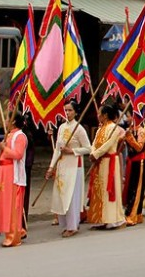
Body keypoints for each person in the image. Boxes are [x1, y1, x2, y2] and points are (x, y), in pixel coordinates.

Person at [46, 100, 91, 238]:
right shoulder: (61, 127)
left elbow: (88, 148)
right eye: (65, 110)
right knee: (61, 195)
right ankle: (65, 224)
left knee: (71, 196)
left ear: (76, 112)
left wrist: (72, 151)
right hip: (62, 165)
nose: (67, 113)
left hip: (74, 165)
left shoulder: (79, 128)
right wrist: (51, 167)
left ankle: (73, 226)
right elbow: (57, 149)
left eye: (70, 110)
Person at [0, 112, 28, 247]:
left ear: (13, 121)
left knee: (13, 205)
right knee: (4, 204)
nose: (5, 120)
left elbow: (18, 155)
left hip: (12, 174)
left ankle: (14, 237)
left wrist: (4, 148)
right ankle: (17, 231)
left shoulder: (20, 136)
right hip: (3, 172)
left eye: (7, 118)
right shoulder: (8, 135)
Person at [89, 104, 125, 230]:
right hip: (100, 162)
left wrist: (96, 154)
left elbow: (108, 144)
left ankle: (113, 219)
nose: (98, 115)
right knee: (100, 189)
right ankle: (101, 219)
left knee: (110, 189)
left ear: (105, 115)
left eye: (99, 113)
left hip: (110, 162)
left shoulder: (114, 128)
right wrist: (93, 152)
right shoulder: (100, 129)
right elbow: (94, 143)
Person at [122, 111, 145, 226]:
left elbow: (139, 147)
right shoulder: (130, 129)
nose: (127, 118)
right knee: (130, 187)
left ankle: (132, 215)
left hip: (139, 162)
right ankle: (134, 214)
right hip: (131, 162)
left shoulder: (141, 131)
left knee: (136, 189)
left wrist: (129, 137)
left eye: (129, 115)